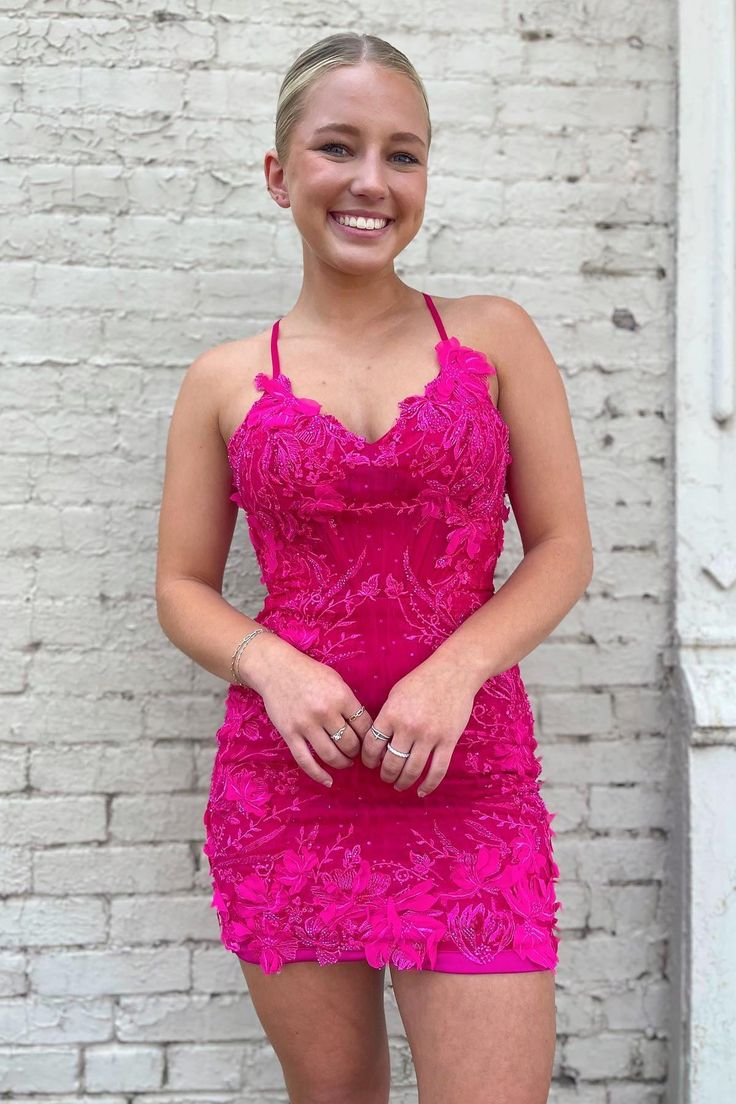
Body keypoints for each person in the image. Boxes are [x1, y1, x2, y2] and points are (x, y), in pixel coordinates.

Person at [156, 31, 593, 1104]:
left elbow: (563, 549)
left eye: (403, 154)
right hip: (292, 788)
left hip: (469, 778)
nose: (371, 181)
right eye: (337, 147)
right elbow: (180, 586)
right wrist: (272, 665)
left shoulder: (495, 338)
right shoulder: (222, 379)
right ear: (279, 174)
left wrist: (456, 671)